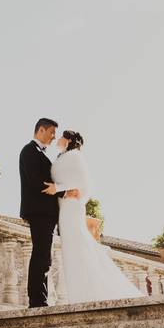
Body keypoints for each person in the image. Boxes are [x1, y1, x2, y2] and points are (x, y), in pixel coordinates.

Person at [43, 130, 143, 303]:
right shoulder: (62, 156)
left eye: (61, 136)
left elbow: (82, 185)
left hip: (71, 208)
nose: (57, 138)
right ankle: (80, 294)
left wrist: (60, 190)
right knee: (72, 249)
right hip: (64, 209)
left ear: (68, 140)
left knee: (78, 246)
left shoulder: (75, 156)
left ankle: (87, 294)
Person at [19, 118, 80, 307]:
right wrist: (64, 191)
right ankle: (37, 300)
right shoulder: (29, 151)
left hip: (45, 213)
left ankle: (40, 299)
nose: (54, 137)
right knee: (41, 255)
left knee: (45, 256)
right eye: (52, 132)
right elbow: (38, 183)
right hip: (39, 212)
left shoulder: (39, 153)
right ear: (41, 130)